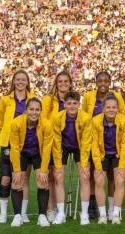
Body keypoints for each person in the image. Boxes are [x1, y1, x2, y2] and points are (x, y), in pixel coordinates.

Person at [81, 71, 125, 219]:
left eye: (106, 81)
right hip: (96, 141)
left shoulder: (117, 97)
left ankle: (113, 209)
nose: (103, 84)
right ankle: (94, 205)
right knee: (96, 175)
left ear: (110, 82)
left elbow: (123, 116)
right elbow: (86, 117)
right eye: (99, 81)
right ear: (95, 82)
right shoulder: (89, 96)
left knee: (113, 178)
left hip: (113, 141)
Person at [0, 70, 35, 224]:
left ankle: (23, 214)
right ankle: (3, 213)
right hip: (8, 144)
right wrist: (8, 134)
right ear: (13, 81)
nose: (20, 82)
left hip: (26, 145)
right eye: (17, 79)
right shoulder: (6, 100)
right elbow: (0, 121)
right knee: (5, 179)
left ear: (27, 82)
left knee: (23, 179)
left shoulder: (32, 98)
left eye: (23, 79)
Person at [9, 98, 53, 227]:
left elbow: (46, 148)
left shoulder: (46, 124)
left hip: (38, 154)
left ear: (41, 111)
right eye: (31, 109)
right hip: (21, 153)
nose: (34, 112)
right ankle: (18, 216)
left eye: (37, 109)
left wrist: (44, 170)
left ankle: (42, 216)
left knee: (43, 181)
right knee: (17, 181)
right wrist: (16, 170)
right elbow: (15, 148)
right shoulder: (16, 123)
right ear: (26, 110)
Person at [51, 91, 92, 225]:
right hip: (63, 147)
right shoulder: (57, 117)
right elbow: (56, 142)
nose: (72, 106)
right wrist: (57, 164)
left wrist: (85, 164)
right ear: (64, 104)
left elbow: (86, 143)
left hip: (80, 147)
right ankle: (61, 213)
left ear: (79, 104)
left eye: (75, 103)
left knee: (85, 176)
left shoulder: (85, 118)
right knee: (58, 177)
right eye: (69, 103)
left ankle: (84, 214)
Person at [91, 94, 125, 224]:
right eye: (108, 107)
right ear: (103, 108)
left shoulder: (124, 121)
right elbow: (94, 145)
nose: (111, 110)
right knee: (99, 180)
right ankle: (102, 215)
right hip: (102, 155)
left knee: (119, 180)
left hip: (118, 155)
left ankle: (115, 214)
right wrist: (97, 166)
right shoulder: (96, 121)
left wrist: (121, 166)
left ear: (118, 108)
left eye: (114, 107)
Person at [41, 71, 73, 222]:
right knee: (50, 177)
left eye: (66, 81)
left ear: (70, 83)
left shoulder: (73, 99)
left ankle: (57, 209)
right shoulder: (49, 99)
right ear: (56, 83)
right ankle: (50, 209)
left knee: (59, 176)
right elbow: (43, 119)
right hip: (52, 141)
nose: (63, 84)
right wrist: (55, 127)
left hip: (66, 142)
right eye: (60, 81)